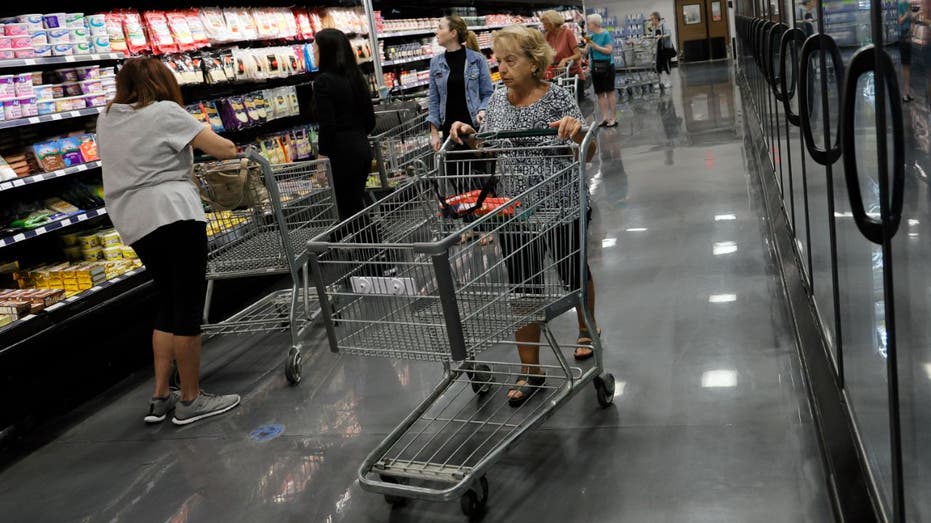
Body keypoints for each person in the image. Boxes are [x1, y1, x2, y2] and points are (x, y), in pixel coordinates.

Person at [449, 25, 599, 407]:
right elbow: (489, 152)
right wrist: (469, 137)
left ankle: (587, 329)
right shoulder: (497, 101)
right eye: (498, 61)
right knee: (523, 287)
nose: (502, 68)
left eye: (510, 60)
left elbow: (590, 150)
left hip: (562, 205)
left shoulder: (558, 97)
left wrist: (576, 133)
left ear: (535, 62)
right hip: (514, 211)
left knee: (573, 274)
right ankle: (530, 369)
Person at [97, 57, 241, 426]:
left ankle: (160, 396)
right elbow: (222, 149)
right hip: (174, 214)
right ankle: (191, 399)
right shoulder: (164, 111)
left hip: (134, 221)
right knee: (188, 306)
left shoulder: (108, 117)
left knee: (169, 301)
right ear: (163, 83)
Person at [313, 28, 376, 220]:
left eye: (315, 50)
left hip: (342, 153)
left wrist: (321, 159)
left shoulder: (323, 82)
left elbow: (328, 125)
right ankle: (369, 248)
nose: (313, 54)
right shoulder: (355, 77)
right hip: (362, 148)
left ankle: (373, 248)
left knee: (348, 208)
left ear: (326, 52)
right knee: (354, 203)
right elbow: (370, 120)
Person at [428, 15, 495, 152]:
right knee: (454, 171)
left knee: (479, 171)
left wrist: (483, 109)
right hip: (449, 132)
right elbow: (434, 100)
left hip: (475, 127)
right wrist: (434, 133)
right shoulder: (435, 62)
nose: (436, 32)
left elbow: (488, 93)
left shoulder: (477, 60)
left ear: (453, 33)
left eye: (440, 28)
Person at [582, 13, 617, 127]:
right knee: (600, 94)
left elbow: (609, 50)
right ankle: (605, 117)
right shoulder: (590, 37)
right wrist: (576, 47)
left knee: (609, 92)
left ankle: (613, 117)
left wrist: (596, 47)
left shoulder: (605, 34)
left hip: (607, 67)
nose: (588, 25)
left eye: (589, 23)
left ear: (595, 24)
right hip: (595, 68)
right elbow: (585, 52)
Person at [541, 10, 584, 100]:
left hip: (572, 75)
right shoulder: (547, 36)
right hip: (556, 76)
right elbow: (545, 53)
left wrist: (564, 60)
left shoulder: (567, 33)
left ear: (552, 23)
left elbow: (578, 54)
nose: (543, 26)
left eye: (545, 24)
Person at [650, 12, 674, 89]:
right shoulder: (654, 28)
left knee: (666, 65)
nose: (651, 21)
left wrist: (662, 36)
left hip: (665, 48)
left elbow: (669, 34)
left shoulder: (664, 25)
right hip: (657, 50)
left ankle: (669, 81)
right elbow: (652, 37)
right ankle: (660, 82)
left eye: (652, 19)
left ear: (656, 19)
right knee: (658, 66)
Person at [899, 0, 914, 102]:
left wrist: (915, 15)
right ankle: (904, 93)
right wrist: (907, 14)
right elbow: (900, 20)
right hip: (904, 37)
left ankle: (907, 92)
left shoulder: (908, 4)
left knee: (907, 66)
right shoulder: (900, 4)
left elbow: (910, 19)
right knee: (905, 66)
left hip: (909, 37)